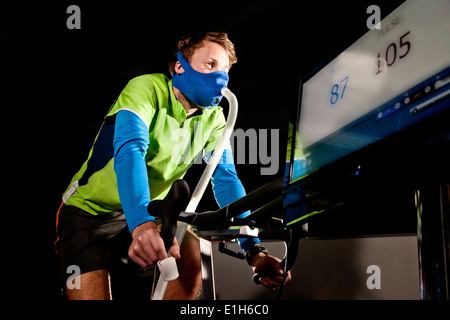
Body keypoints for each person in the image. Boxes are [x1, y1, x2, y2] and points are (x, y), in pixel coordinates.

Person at [55, 32, 291, 300]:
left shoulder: (215, 117)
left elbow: (226, 179)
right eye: (210, 65)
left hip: (147, 211)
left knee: (192, 252)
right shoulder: (146, 88)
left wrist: (254, 250)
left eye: (225, 70)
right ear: (180, 66)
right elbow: (130, 151)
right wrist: (141, 226)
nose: (220, 77)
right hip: (88, 212)